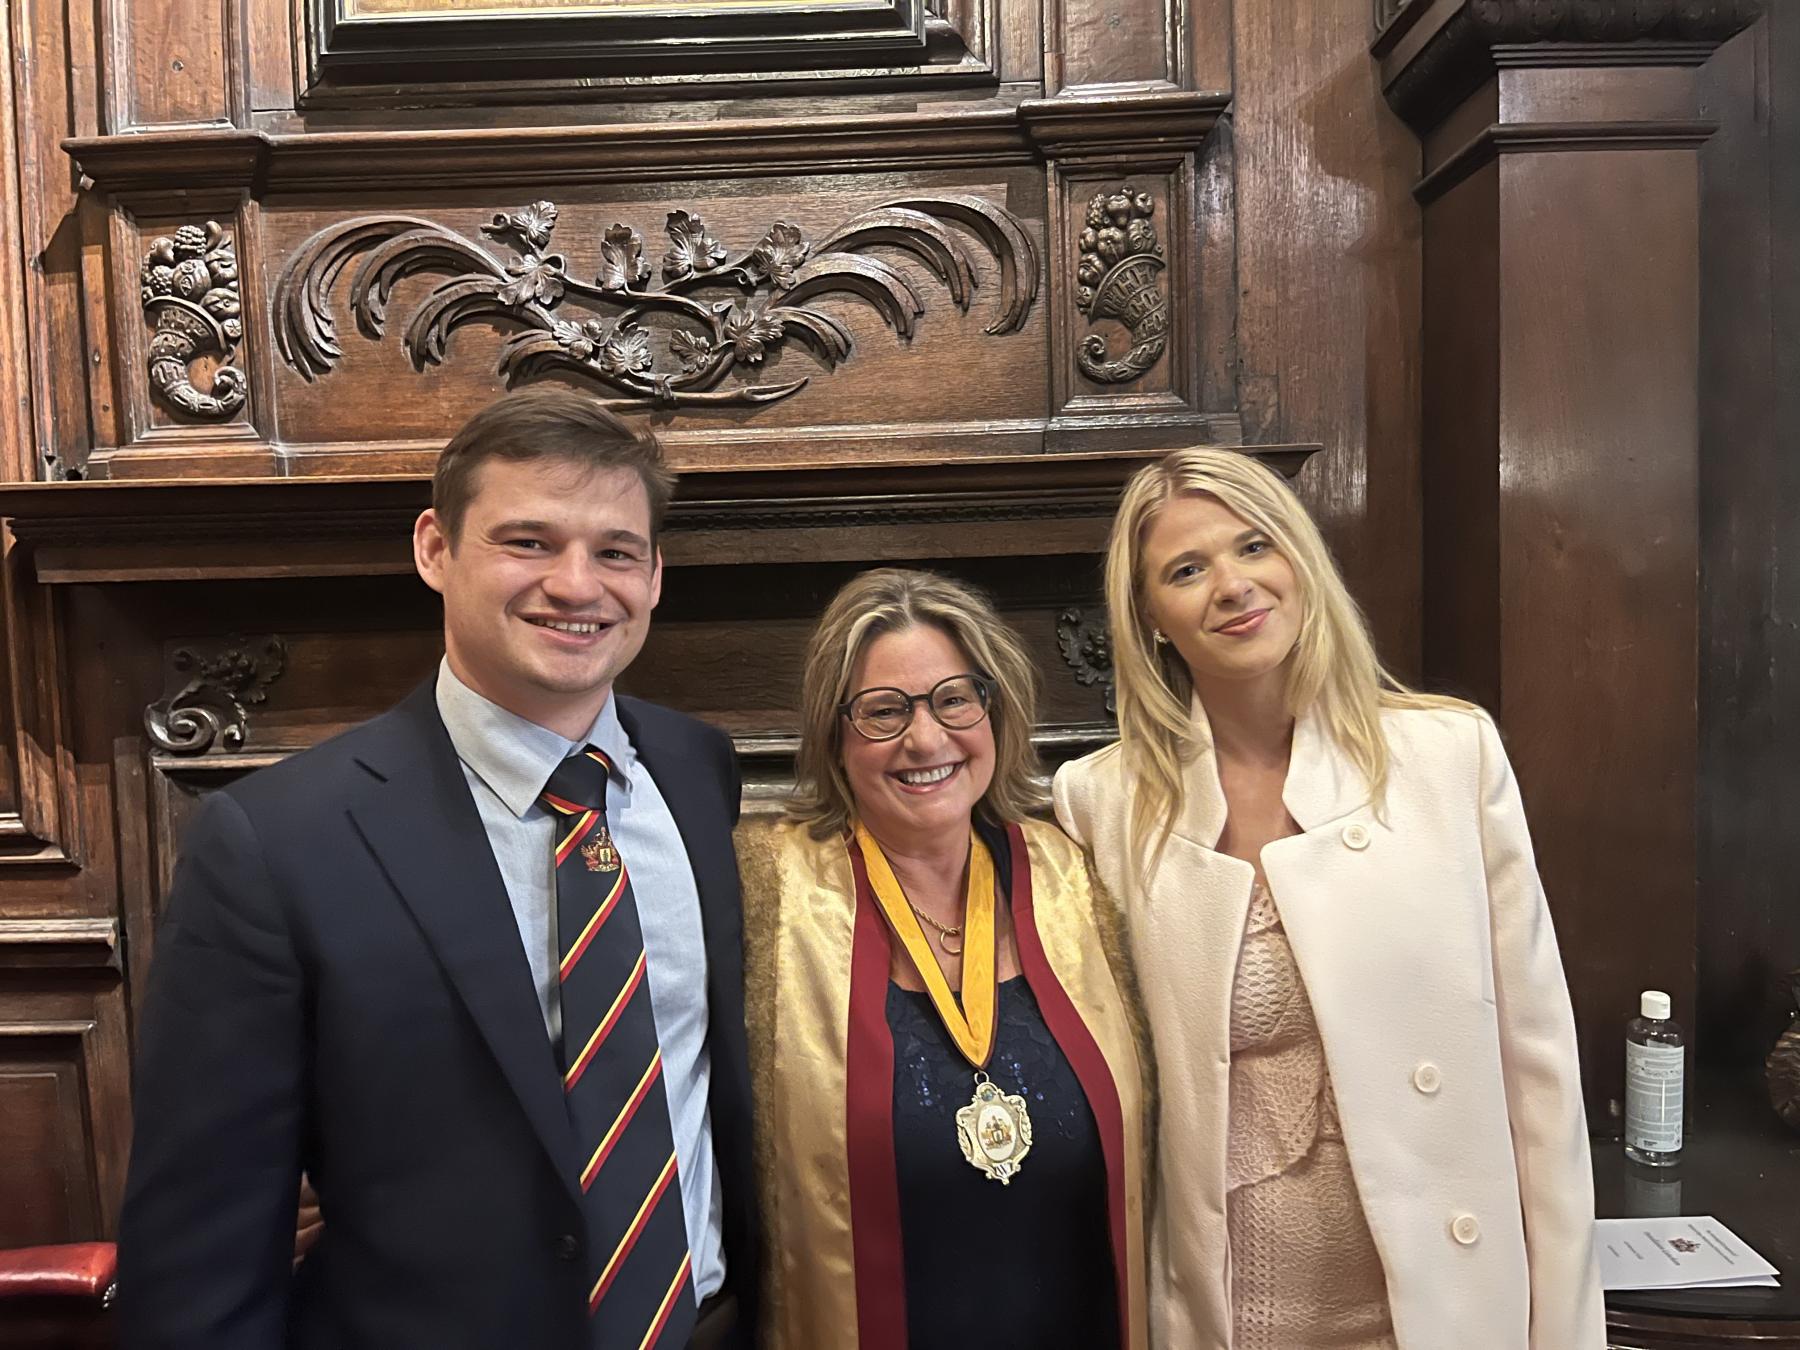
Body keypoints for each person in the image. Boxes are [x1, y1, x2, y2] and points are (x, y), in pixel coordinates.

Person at [118, 389, 757, 1350]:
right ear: (434, 548)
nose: (579, 586)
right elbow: (199, 1249)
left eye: (615, 551)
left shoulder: (699, 772)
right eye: (529, 542)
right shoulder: (275, 841)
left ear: (655, 574)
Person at [1054, 449, 1605, 1350]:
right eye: (1187, 570)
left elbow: (1539, 1074)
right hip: (1230, 1310)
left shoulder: (1448, 758)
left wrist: (1567, 1333)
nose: (1232, 586)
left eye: (1254, 546)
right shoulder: (1099, 804)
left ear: (1299, 561)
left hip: (1441, 1302)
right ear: (1151, 618)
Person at [737, 568, 1152, 1350]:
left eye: (954, 699)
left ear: (996, 710)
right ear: (834, 735)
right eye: (883, 712)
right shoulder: (765, 898)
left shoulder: (1083, 878)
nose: (926, 739)